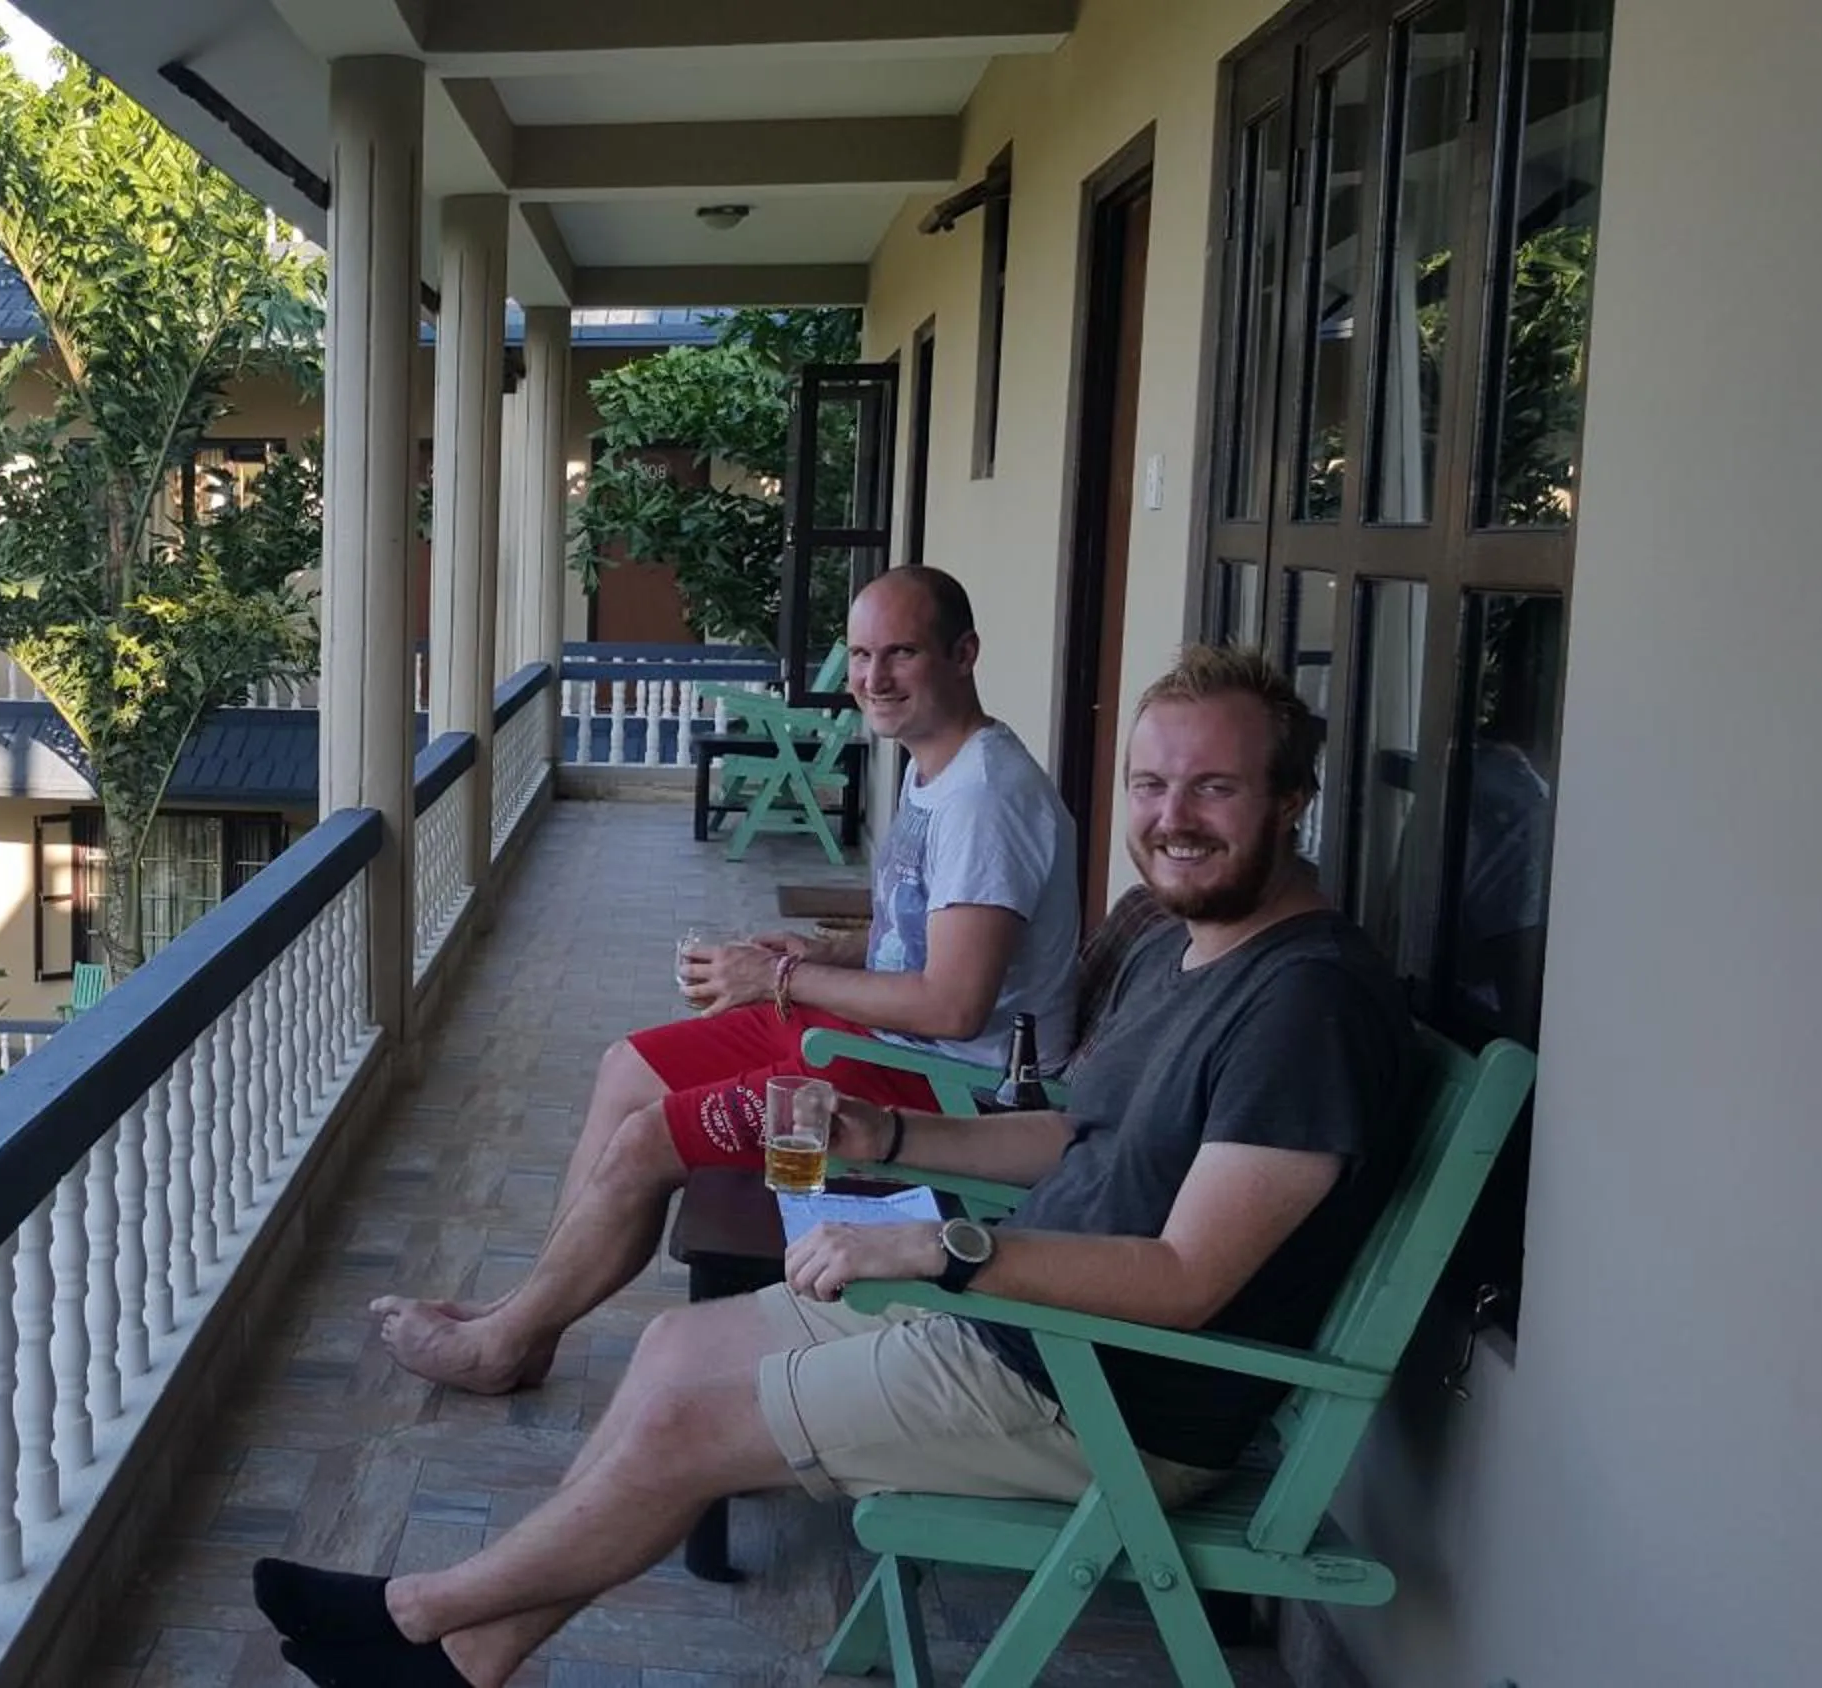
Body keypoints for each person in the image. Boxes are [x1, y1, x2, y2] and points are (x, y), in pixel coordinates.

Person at [257, 646, 1413, 1688]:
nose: (1174, 818)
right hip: (1024, 1326)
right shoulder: (1187, 941)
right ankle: (474, 1659)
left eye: (1215, 787)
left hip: (1107, 1398)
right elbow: (1081, 1138)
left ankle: (416, 1615)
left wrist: (948, 1246)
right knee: (672, 1347)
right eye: (1153, 786)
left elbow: (1183, 1275)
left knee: (682, 1432)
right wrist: (891, 1137)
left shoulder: (1303, 1005)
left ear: (1291, 803)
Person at [370, 565, 1080, 1394]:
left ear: (964, 655)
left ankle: (505, 1346)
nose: (873, 679)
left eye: (901, 653)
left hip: (944, 1086)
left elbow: (954, 1007)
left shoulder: (986, 801)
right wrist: (818, 952)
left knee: (649, 1140)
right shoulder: (938, 770)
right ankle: (527, 1316)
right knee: (627, 1068)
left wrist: (782, 977)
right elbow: (920, 944)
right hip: (886, 1039)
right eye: (859, 655)